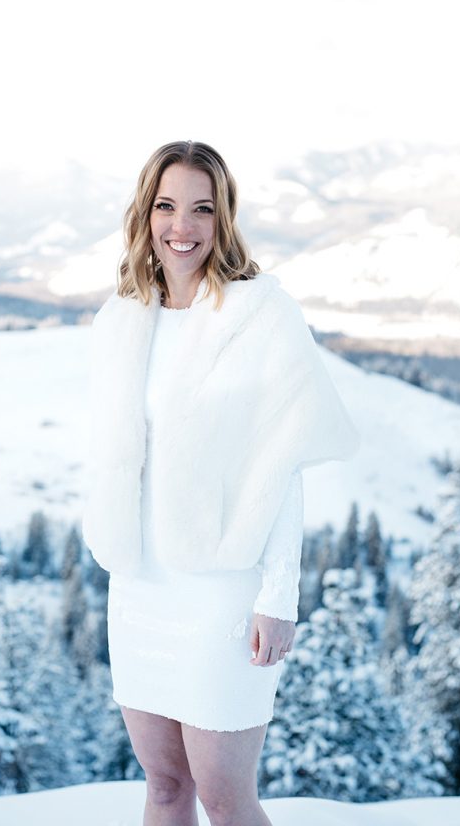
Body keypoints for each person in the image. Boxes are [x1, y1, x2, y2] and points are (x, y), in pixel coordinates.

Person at [82, 141, 360, 826]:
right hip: (140, 586)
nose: (183, 226)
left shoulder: (259, 316)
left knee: (226, 796)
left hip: (223, 589)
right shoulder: (122, 318)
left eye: (201, 209)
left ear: (223, 218)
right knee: (163, 785)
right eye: (167, 206)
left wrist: (279, 596)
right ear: (145, 214)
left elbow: (282, 466)